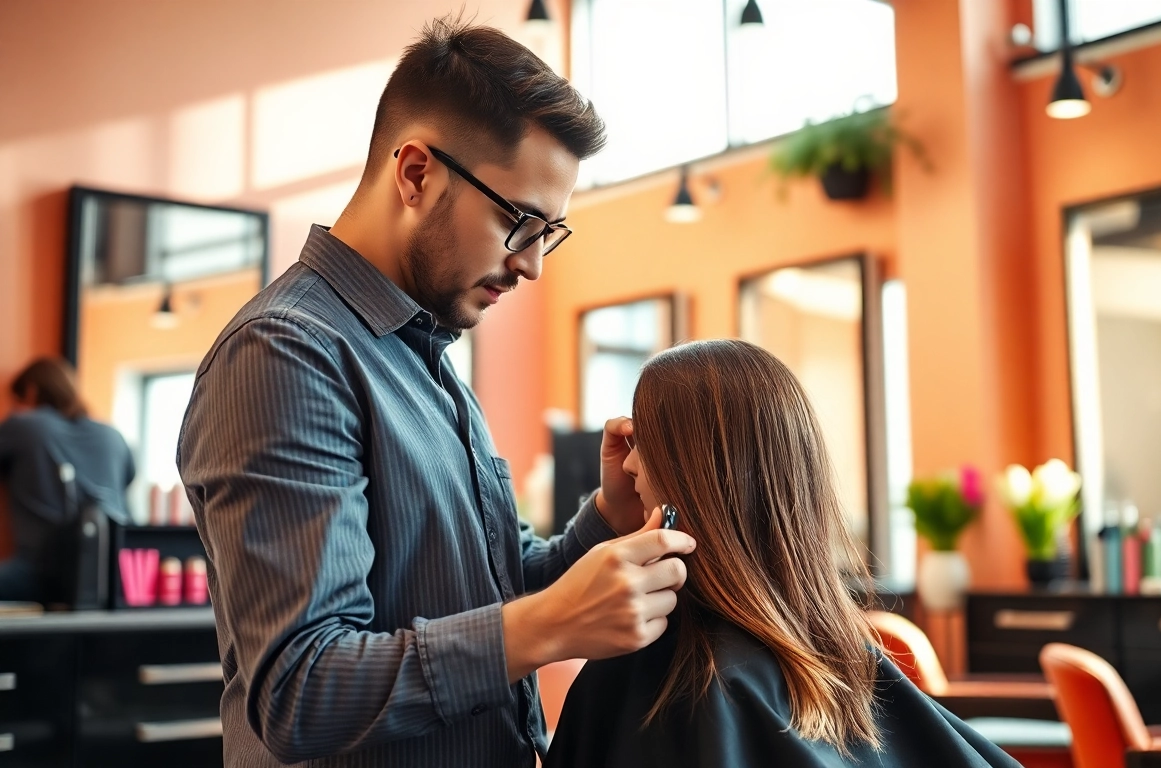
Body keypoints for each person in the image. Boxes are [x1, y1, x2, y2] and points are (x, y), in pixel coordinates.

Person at [176, 17, 695, 768]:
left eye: (551, 234)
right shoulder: (284, 355)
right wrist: (547, 627)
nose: (533, 266)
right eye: (521, 223)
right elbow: (299, 691)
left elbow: (482, 585)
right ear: (416, 173)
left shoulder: (426, 354)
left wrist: (607, 518)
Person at [544, 340, 1020, 768]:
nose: (626, 464)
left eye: (643, 443)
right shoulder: (834, 651)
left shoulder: (677, 679)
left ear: (694, 474)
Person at [0, 357, 134, 603]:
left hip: (41, 574)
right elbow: (126, 485)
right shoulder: (114, 437)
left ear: (31, 391)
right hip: (115, 578)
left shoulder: (24, 425)